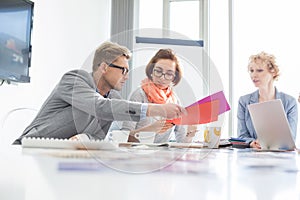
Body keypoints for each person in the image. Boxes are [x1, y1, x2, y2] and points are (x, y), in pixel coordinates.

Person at [13, 42, 186, 144]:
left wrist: (83, 137)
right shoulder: (74, 79)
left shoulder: (113, 97)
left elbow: (96, 136)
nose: (126, 76)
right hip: (29, 149)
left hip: (62, 158)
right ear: (104, 67)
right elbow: (99, 106)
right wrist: (157, 109)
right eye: (123, 70)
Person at [120, 49, 197, 143]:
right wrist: (150, 129)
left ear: (174, 78)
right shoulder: (139, 95)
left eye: (169, 74)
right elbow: (124, 137)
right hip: (138, 154)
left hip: (164, 155)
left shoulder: (174, 100)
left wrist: (190, 134)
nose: (162, 77)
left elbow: (181, 141)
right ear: (151, 71)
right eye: (158, 71)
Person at [237, 51, 298, 149]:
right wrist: (252, 143)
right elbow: (241, 136)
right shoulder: (244, 101)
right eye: (251, 70)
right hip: (252, 158)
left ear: (273, 72)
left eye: (259, 70)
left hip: (281, 159)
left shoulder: (290, 102)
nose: (254, 75)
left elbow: (290, 139)